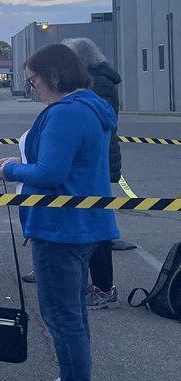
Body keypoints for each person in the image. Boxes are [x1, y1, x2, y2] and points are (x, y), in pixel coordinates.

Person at [0, 43, 118, 381]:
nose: (31, 87)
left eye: (33, 79)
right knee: (72, 314)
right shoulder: (90, 107)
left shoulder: (66, 113)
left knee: (63, 317)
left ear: (53, 75)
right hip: (80, 226)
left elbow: (49, 172)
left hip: (61, 227)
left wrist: (12, 169)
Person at [61, 37, 124, 308]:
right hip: (94, 159)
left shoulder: (98, 84)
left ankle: (103, 288)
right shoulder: (96, 81)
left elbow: (97, 125)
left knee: (96, 226)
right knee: (87, 221)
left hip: (95, 162)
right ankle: (90, 282)